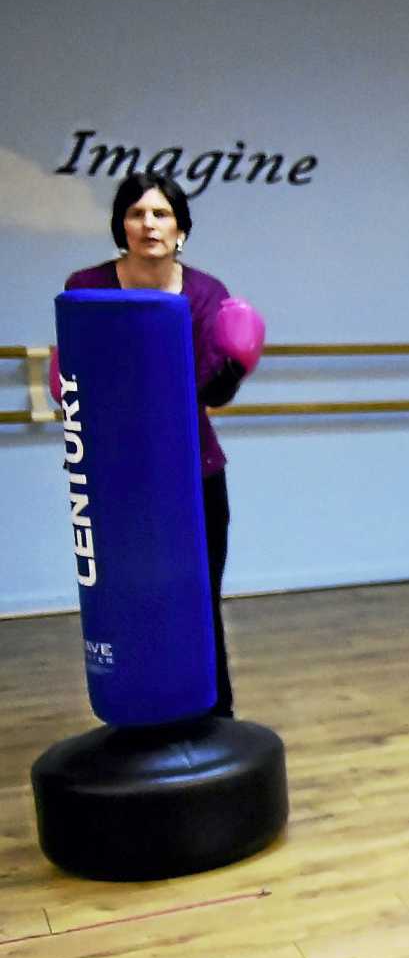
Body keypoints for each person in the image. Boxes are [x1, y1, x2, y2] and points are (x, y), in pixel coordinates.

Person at [63, 171, 250, 718]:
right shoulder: (87, 286)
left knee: (198, 597)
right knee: (132, 596)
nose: (149, 224)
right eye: (137, 213)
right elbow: (82, 375)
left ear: (181, 228)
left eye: (161, 214)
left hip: (194, 472)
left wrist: (234, 370)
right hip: (117, 476)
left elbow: (208, 389)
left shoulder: (205, 292)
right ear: (121, 223)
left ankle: (215, 712)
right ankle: (139, 703)